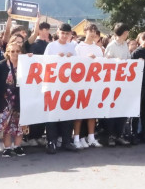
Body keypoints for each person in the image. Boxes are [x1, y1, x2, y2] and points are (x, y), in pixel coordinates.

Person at [42, 23, 81, 153]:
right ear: (58, 32)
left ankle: (66, 141)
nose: (64, 36)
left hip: (67, 86)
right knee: (52, 114)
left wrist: (72, 59)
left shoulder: (72, 47)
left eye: (67, 33)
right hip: (53, 86)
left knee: (67, 113)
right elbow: (44, 63)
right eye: (62, 33)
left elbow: (78, 66)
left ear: (70, 34)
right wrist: (55, 58)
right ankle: (51, 141)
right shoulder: (51, 46)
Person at [73, 24, 105, 148]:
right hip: (80, 84)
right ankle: (76, 138)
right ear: (85, 32)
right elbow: (74, 65)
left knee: (92, 112)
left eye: (94, 31)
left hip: (94, 84)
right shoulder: (78, 47)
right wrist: (86, 59)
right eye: (90, 31)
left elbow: (102, 66)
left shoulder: (97, 49)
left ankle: (91, 137)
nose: (92, 33)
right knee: (79, 114)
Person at [0, 42, 25, 157]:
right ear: (7, 52)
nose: (15, 53)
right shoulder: (1, 65)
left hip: (21, 100)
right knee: (5, 125)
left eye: (17, 51)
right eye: (12, 51)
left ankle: (17, 146)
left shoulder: (25, 65)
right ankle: (7, 147)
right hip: (4, 101)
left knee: (20, 124)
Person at [104, 23, 133, 146]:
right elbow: (106, 63)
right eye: (126, 32)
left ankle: (119, 135)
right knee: (112, 110)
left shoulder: (125, 45)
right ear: (121, 33)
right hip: (112, 83)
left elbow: (129, 59)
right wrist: (116, 62)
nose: (127, 35)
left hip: (123, 82)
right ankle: (110, 135)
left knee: (122, 109)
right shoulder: (111, 46)